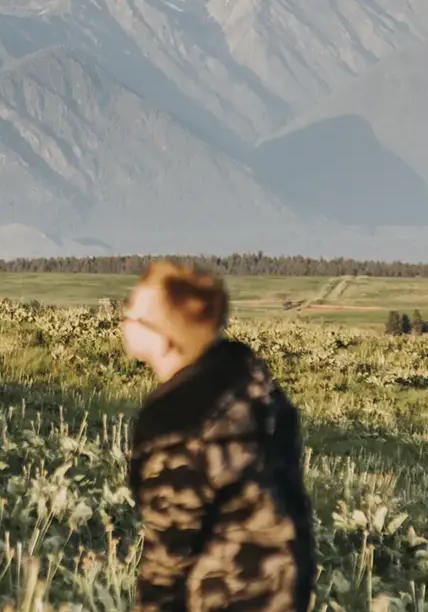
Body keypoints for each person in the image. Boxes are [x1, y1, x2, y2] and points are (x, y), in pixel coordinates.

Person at [121, 260, 316, 612]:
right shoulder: (254, 388)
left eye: (133, 315)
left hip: (220, 595)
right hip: (286, 586)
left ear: (164, 338)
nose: (124, 322)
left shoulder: (176, 424)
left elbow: (168, 557)